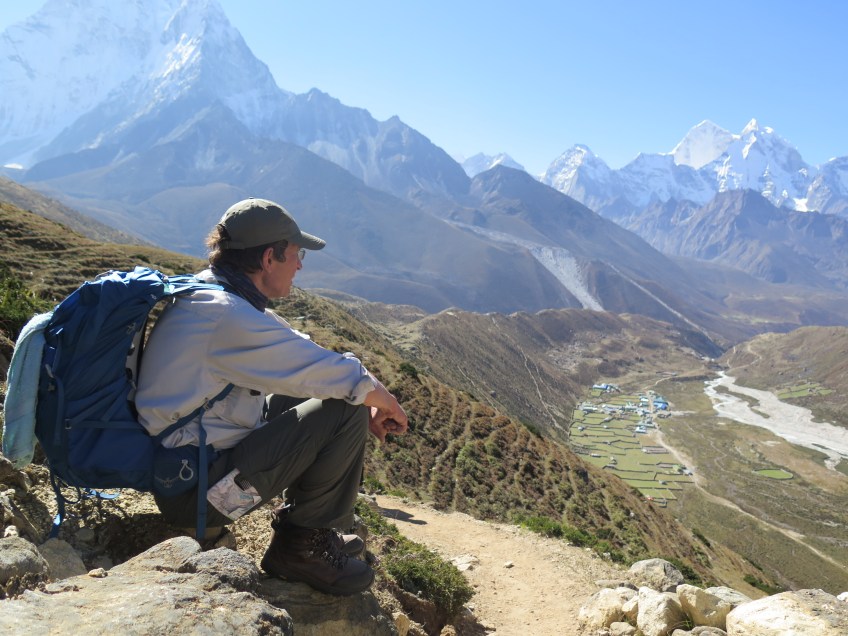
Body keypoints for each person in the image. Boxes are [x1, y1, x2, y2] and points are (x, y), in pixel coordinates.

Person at [135, 197, 408, 596]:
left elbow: (303, 354)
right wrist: (381, 401)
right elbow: (329, 372)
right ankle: (300, 548)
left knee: (345, 399)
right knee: (345, 409)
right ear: (268, 258)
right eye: (296, 255)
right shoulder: (225, 315)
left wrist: (365, 396)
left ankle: (310, 531)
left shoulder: (216, 295)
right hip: (193, 493)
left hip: (186, 469)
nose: (300, 266)